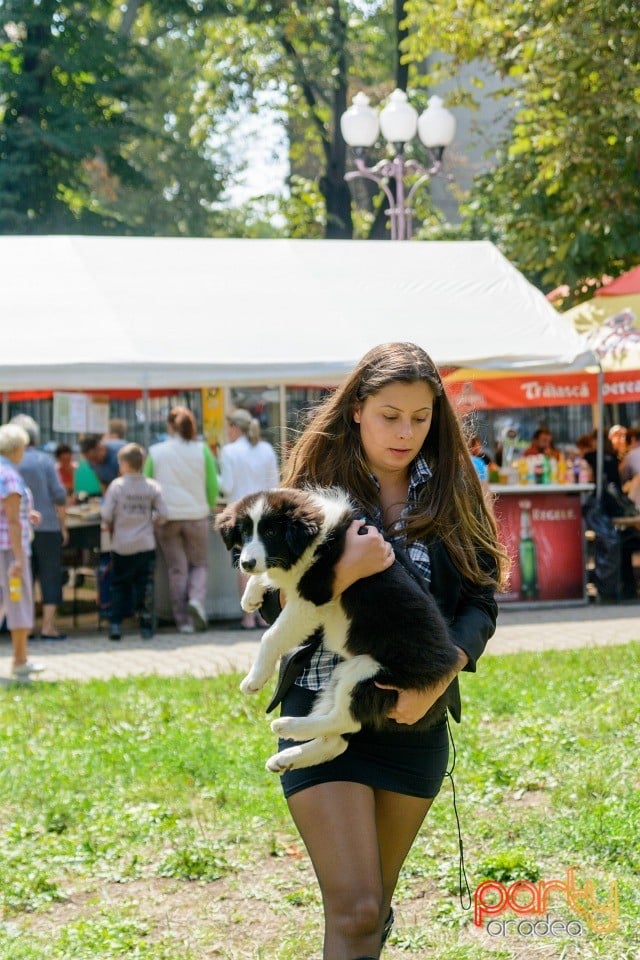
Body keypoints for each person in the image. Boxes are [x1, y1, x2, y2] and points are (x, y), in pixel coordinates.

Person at [266, 342, 507, 960]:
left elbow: (481, 601)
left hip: (413, 724)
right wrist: (342, 571)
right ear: (355, 410)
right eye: (389, 415)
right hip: (322, 710)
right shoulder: (311, 489)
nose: (406, 432)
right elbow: (271, 605)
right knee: (358, 909)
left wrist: (442, 674)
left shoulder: (455, 488)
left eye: (421, 418)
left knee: (370, 911)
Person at [144, 406, 218, 634]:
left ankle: (182, 620)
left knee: (177, 568)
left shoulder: (155, 452)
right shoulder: (202, 450)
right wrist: (210, 503)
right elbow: (212, 484)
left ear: (169, 426)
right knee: (199, 564)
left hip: (168, 518)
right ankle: (196, 599)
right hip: (196, 514)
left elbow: (147, 483)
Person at [218, 408, 280, 628]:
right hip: (266, 513)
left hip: (241, 514)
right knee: (265, 563)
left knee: (244, 564)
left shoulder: (229, 451)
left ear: (234, 427)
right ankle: (266, 615)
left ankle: (248, 617)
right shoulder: (266, 449)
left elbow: (226, 486)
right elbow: (275, 483)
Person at [10, 415, 69, 641]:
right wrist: (63, 526)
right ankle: (48, 626)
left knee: (24, 576)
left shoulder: (7, 462)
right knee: (50, 575)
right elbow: (59, 495)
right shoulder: (45, 461)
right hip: (47, 527)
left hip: (19, 528)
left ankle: (26, 627)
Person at [101, 443, 168, 641]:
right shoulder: (152, 486)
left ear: (124, 464)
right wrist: (152, 522)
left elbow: (106, 514)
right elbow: (164, 514)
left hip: (121, 544)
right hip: (145, 543)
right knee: (145, 584)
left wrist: (115, 521)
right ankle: (146, 624)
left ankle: (115, 624)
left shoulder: (117, 486)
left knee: (119, 584)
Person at [0, 424, 45, 681]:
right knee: (18, 600)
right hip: (9, 550)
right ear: (17, 448)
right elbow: (12, 520)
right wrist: (18, 558)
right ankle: (20, 659)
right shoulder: (9, 475)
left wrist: (27, 515)